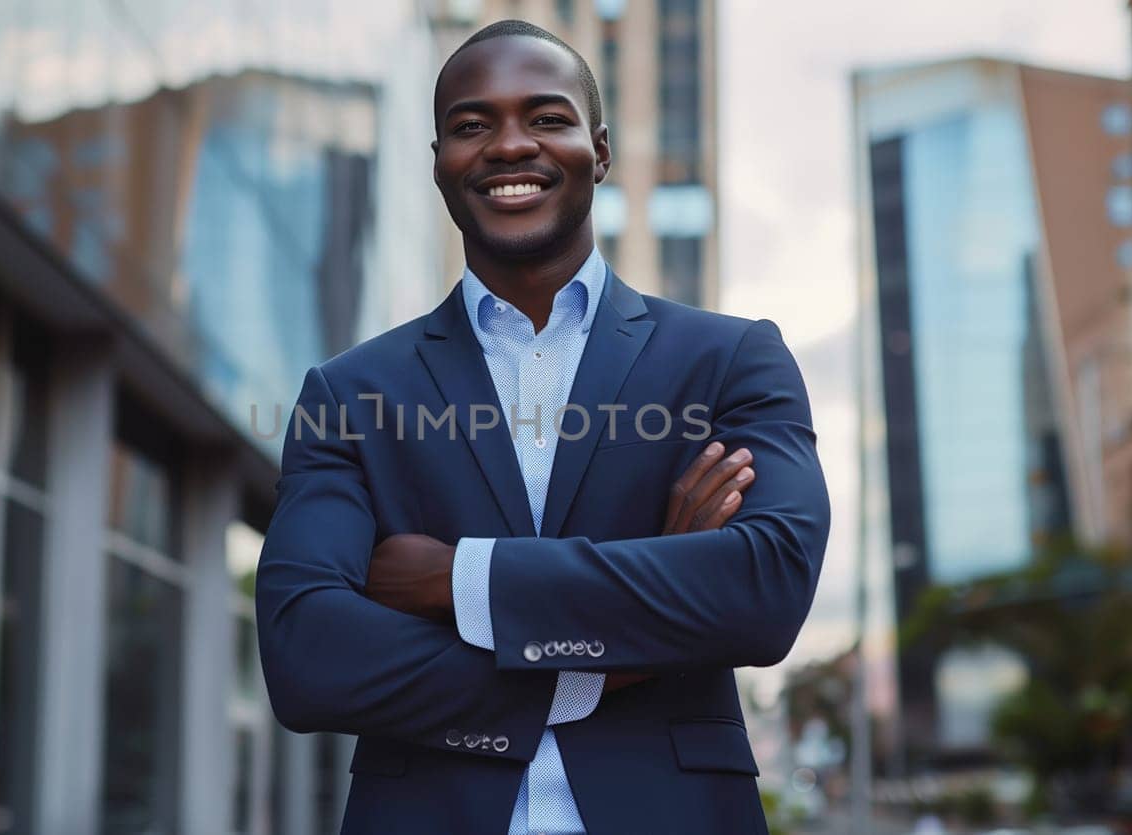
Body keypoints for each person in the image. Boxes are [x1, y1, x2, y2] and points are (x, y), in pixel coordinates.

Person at [256, 19, 830, 834]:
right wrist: (638, 630)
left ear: (598, 150)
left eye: (546, 117)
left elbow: (764, 590)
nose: (508, 145)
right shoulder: (349, 395)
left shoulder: (732, 361)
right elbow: (306, 657)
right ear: (439, 165)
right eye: (471, 125)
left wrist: (458, 580)